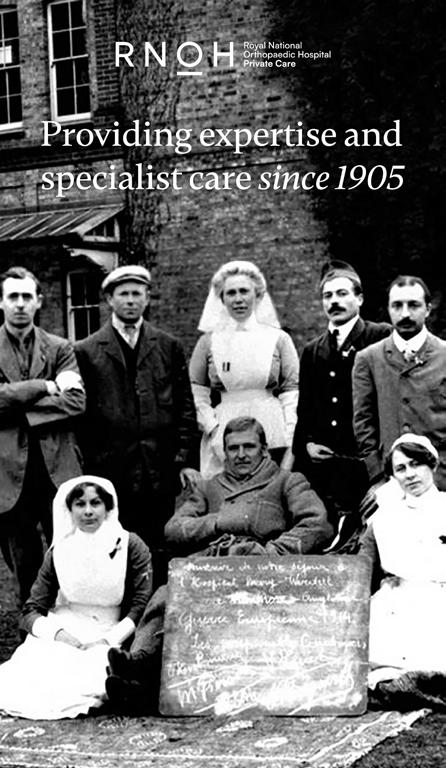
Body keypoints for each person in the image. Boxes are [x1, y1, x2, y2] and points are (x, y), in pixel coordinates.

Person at [104, 416, 333, 712]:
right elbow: (174, 528)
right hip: (212, 563)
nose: (241, 455)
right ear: (224, 452)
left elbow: (317, 524)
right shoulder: (209, 487)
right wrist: (217, 521)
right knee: (167, 593)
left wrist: (275, 551)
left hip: (262, 568)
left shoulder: (286, 481)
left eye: (249, 447)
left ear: (264, 449)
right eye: (233, 448)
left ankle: (144, 684)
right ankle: (139, 665)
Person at [75, 265, 199, 586]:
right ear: (109, 299)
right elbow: (83, 418)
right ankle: (123, 606)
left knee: (159, 543)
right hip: (112, 468)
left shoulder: (168, 346)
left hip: (159, 465)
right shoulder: (87, 351)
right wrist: (92, 463)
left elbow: (185, 406)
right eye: (123, 294)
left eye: (137, 294)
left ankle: (157, 604)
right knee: (116, 544)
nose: (130, 301)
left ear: (147, 298)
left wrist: (184, 459)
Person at [0, 476, 152, 719]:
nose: (88, 511)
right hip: (67, 625)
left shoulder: (130, 545)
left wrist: (108, 639)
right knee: (37, 672)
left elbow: (141, 604)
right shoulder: (60, 550)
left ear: (108, 507)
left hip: (111, 628)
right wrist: (60, 635)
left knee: (93, 671)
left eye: (96, 503)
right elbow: (30, 610)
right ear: (69, 509)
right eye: (80, 504)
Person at [0, 266, 85, 605]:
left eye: (27, 296)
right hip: (9, 472)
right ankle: (32, 627)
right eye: (13, 296)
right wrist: (45, 386)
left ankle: (69, 624)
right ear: (1, 302)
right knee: (25, 564)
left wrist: (16, 407)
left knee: (67, 558)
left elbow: (76, 402)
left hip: (56, 469)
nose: (20, 304)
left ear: (39, 301)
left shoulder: (60, 348)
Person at [292, 261, 391, 545]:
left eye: (342, 294)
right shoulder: (313, 350)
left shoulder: (379, 336)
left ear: (359, 299)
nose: (334, 301)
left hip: (368, 464)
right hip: (326, 469)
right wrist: (307, 444)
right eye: (328, 296)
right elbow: (305, 410)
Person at [189, 260, 299, 478]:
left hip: (270, 423)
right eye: (231, 293)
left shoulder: (278, 339)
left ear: (257, 295)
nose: (238, 299)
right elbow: (195, 390)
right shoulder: (208, 342)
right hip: (224, 426)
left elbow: (291, 389)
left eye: (244, 291)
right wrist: (212, 426)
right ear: (222, 298)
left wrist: (289, 432)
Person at [359, 434, 446, 711]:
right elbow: (371, 563)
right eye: (401, 468)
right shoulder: (385, 516)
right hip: (401, 595)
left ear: (432, 465)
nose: (410, 474)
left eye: (416, 464)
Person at [353, 275, 446, 489]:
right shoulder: (368, 359)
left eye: (413, 305)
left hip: (441, 480)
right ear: (388, 309)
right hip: (393, 482)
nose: (405, 314)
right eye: (397, 306)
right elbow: (363, 424)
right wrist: (378, 478)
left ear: (428, 309)